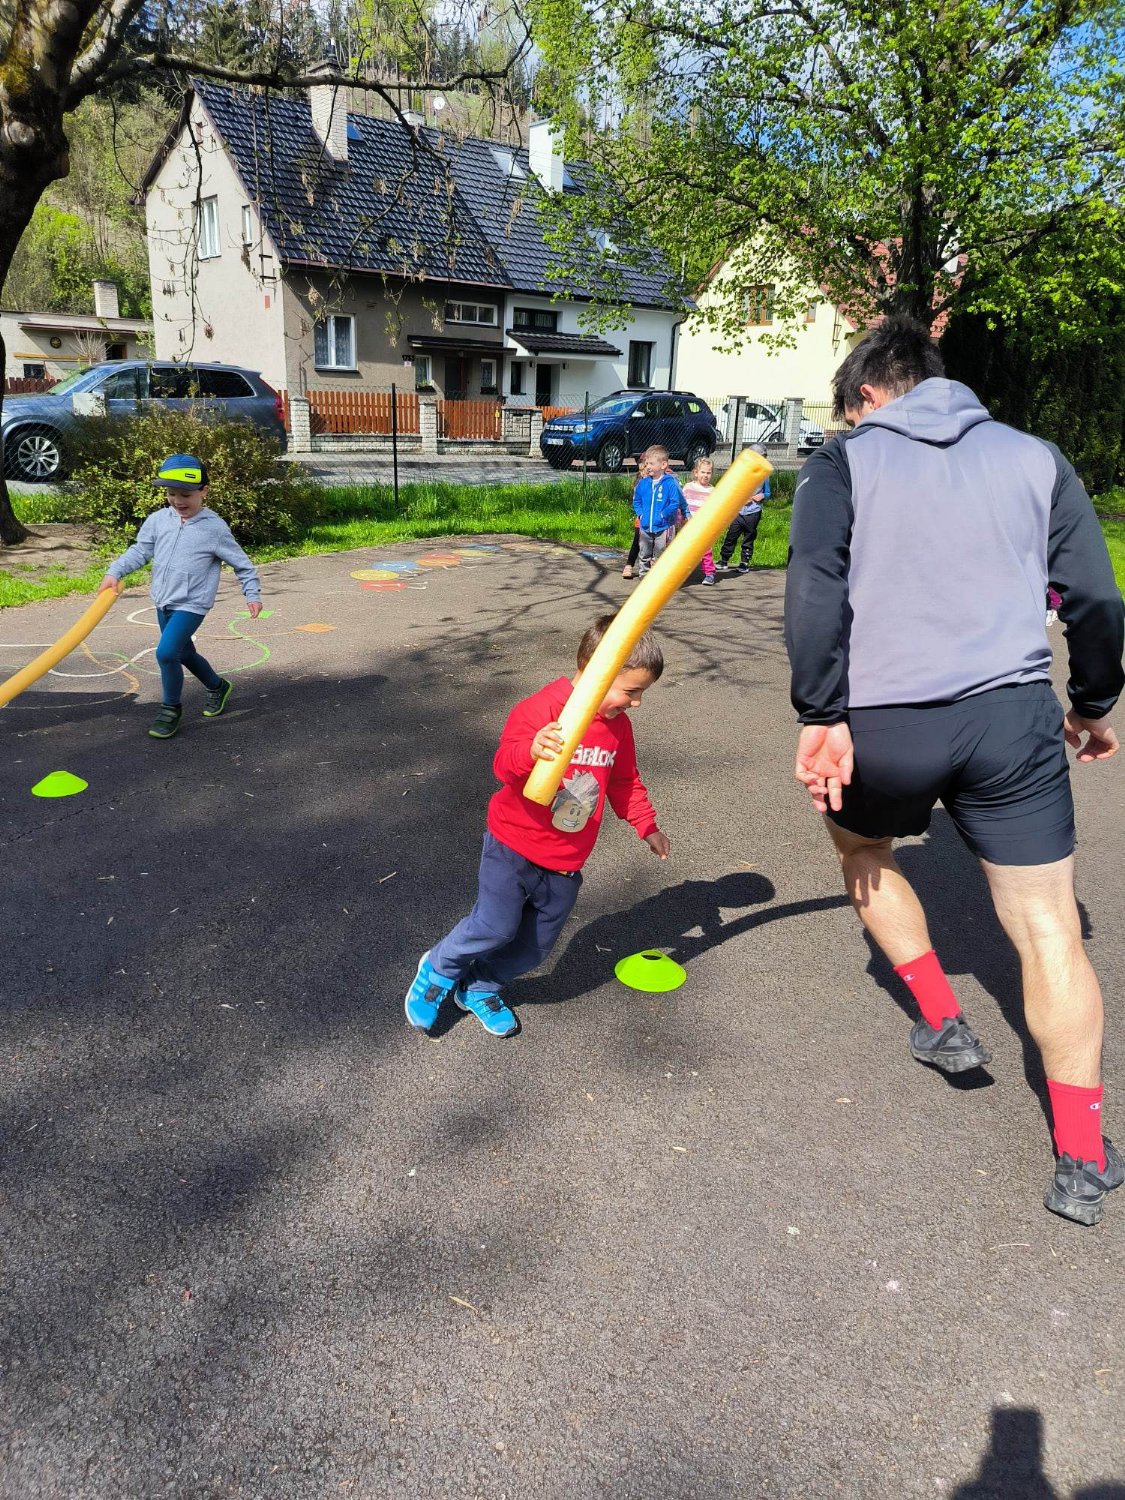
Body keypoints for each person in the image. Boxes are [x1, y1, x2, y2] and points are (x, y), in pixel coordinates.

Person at [785, 317, 1124, 1226]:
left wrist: (819, 717)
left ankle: (939, 1018)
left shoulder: (840, 463)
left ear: (864, 395)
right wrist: (1092, 702)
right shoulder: (1034, 456)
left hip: (881, 722)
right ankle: (1083, 1157)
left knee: (862, 851)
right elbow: (1092, 594)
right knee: (1051, 930)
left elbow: (813, 588)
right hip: (1010, 717)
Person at [405, 614, 671, 1038]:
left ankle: (480, 986)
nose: (635, 702)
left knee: (534, 946)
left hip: (565, 858)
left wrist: (646, 824)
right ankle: (438, 969)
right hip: (513, 844)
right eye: (631, 691)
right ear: (596, 673)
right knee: (494, 925)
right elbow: (504, 767)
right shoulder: (542, 710)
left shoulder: (618, 728)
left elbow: (624, 781)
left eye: (641, 693)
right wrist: (531, 750)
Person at [99, 454, 262, 740]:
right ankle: (217, 686)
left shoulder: (214, 528)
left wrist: (252, 592)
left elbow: (242, 563)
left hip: (192, 603)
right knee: (184, 652)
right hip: (164, 600)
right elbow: (140, 551)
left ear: (204, 491)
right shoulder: (158, 520)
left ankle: (170, 709)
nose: (177, 501)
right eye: (171, 494)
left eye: (185, 494)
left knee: (166, 653)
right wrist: (115, 572)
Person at [632, 446, 688, 577]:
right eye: (646, 463)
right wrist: (640, 514)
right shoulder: (643, 483)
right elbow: (637, 500)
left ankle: (659, 576)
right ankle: (644, 574)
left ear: (663, 464)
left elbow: (675, 503)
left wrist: (663, 515)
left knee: (661, 552)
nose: (648, 466)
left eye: (651, 463)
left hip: (664, 526)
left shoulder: (670, 483)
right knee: (644, 552)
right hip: (645, 526)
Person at [719, 443, 769, 573]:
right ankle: (724, 560)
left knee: (748, 538)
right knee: (731, 536)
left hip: (753, 512)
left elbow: (768, 493)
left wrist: (761, 495)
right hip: (738, 512)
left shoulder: (764, 475)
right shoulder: (741, 472)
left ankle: (744, 562)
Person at [682, 454, 718, 586]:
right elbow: (682, 504)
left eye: (708, 473)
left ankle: (709, 574)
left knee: (705, 550)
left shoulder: (713, 491)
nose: (705, 475)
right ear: (696, 473)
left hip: (704, 526)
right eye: (703, 472)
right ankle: (682, 572)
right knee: (686, 550)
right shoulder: (688, 487)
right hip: (689, 525)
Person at [621, 450, 653, 580]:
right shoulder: (640, 482)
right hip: (641, 519)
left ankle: (648, 568)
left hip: (655, 520)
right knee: (637, 543)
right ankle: (629, 565)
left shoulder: (659, 481)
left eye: (648, 465)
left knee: (653, 544)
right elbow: (637, 500)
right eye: (643, 465)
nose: (645, 468)